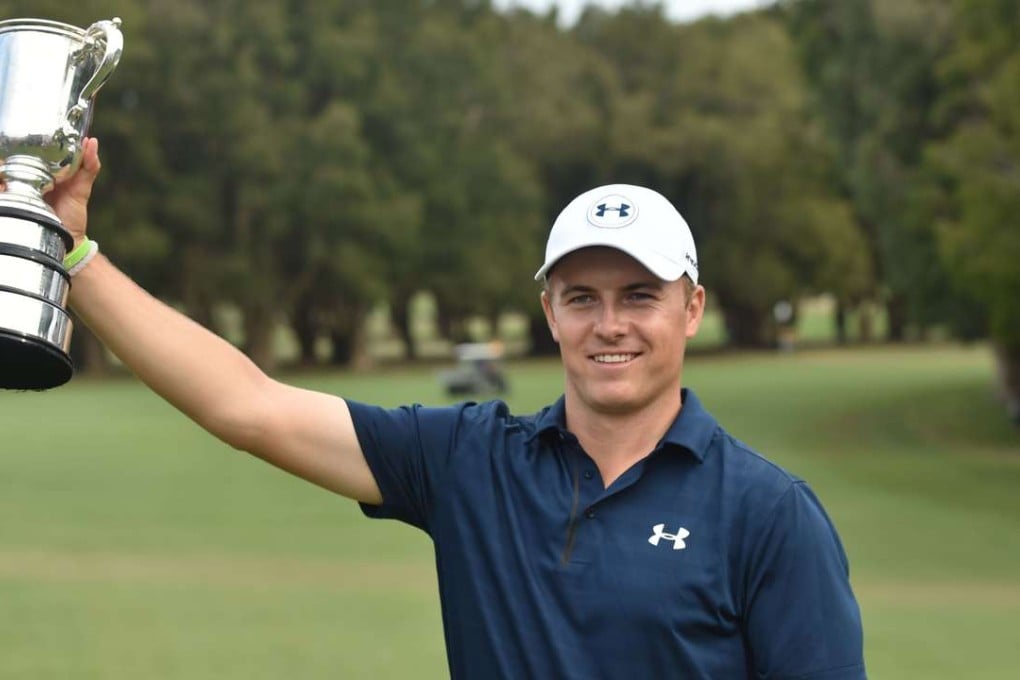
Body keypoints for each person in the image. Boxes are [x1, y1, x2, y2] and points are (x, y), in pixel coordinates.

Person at [49, 139, 866, 679]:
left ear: (691, 310)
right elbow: (248, 406)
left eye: (640, 296)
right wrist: (74, 256)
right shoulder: (473, 460)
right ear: (549, 313)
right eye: (581, 297)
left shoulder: (768, 514)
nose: (609, 324)